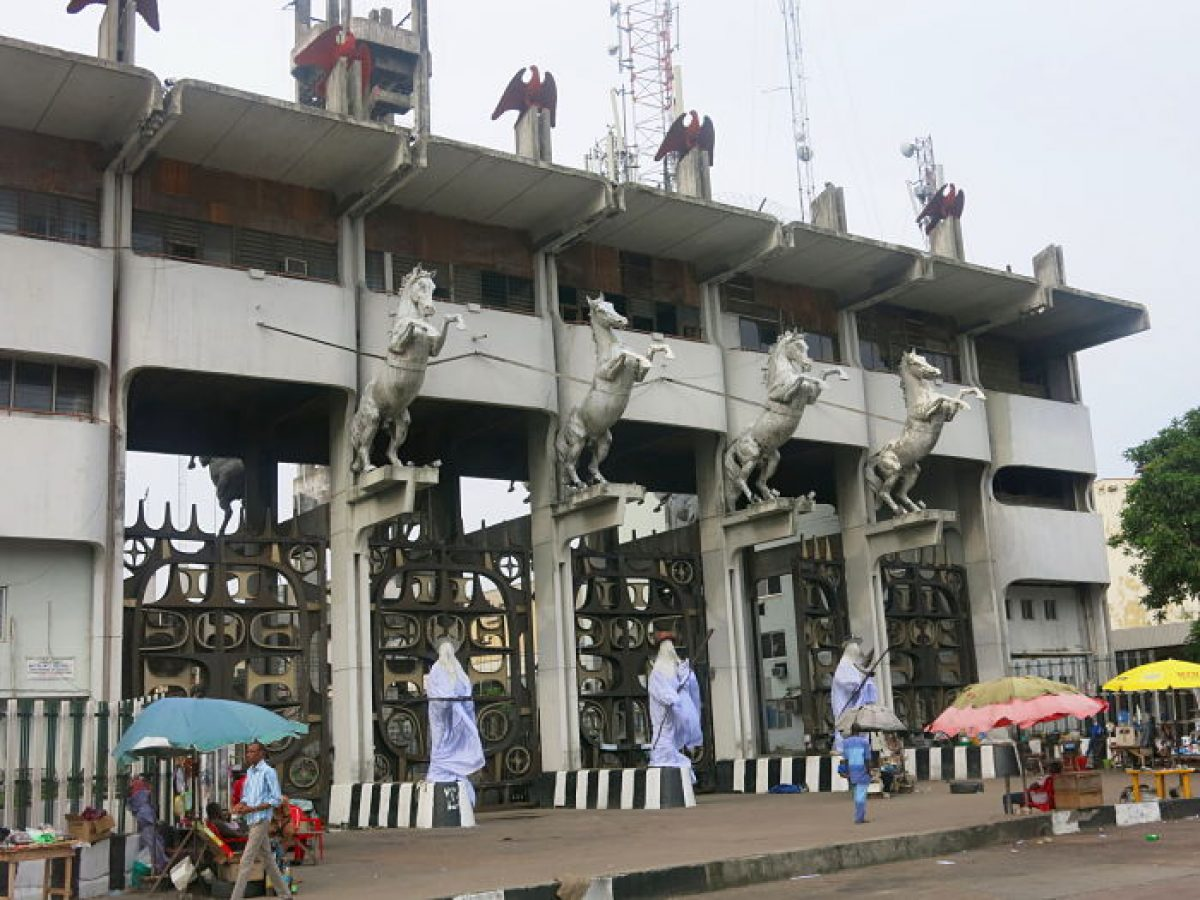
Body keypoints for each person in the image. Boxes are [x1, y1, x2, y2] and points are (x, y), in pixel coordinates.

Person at [424, 637, 486, 806]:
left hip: (454, 717)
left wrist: (456, 701)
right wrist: (451, 700)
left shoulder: (453, 669)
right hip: (444, 718)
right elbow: (439, 693)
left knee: (450, 745)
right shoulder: (443, 670)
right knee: (442, 746)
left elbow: (463, 689)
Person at [230, 741, 292, 900]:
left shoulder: (268, 772)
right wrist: (241, 805)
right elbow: (246, 796)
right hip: (251, 820)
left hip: (262, 820)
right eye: (248, 752)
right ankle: (285, 894)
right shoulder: (250, 772)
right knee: (268, 860)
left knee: (246, 860)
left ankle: (235, 897)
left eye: (252, 752)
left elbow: (276, 800)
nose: (248, 755)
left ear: (261, 753)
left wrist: (252, 808)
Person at [647, 632, 703, 782]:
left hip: (666, 726)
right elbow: (670, 697)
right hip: (664, 722)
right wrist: (675, 697)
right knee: (664, 749)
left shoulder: (663, 674)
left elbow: (681, 694)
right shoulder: (662, 675)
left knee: (662, 749)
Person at [830, 638, 878, 752]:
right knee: (844, 725)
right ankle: (842, 749)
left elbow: (859, 680)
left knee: (857, 725)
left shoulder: (851, 666)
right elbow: (848, 683)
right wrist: (862, 681)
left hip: (852, 705)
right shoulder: (844, 666)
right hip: (844, 705)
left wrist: (866, 679)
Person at [129, 770, 167, 871]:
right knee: (154, 845)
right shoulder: (143, 791)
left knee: (151, 845)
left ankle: (157, 866)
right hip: (147, 823)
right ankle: (159, 866)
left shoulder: (137, 790)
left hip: (145, 823)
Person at [841, 723, 872, 824]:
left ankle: (859, 816)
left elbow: (845, 759)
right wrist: (868, 771)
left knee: (857, 794)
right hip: (862, 770)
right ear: (860, 731)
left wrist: (847, 772)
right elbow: (867, 759)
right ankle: (859, 818)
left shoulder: (845, 742)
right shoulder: (864, 742)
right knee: (861, 795)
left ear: (851, 730)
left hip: (851, 771)